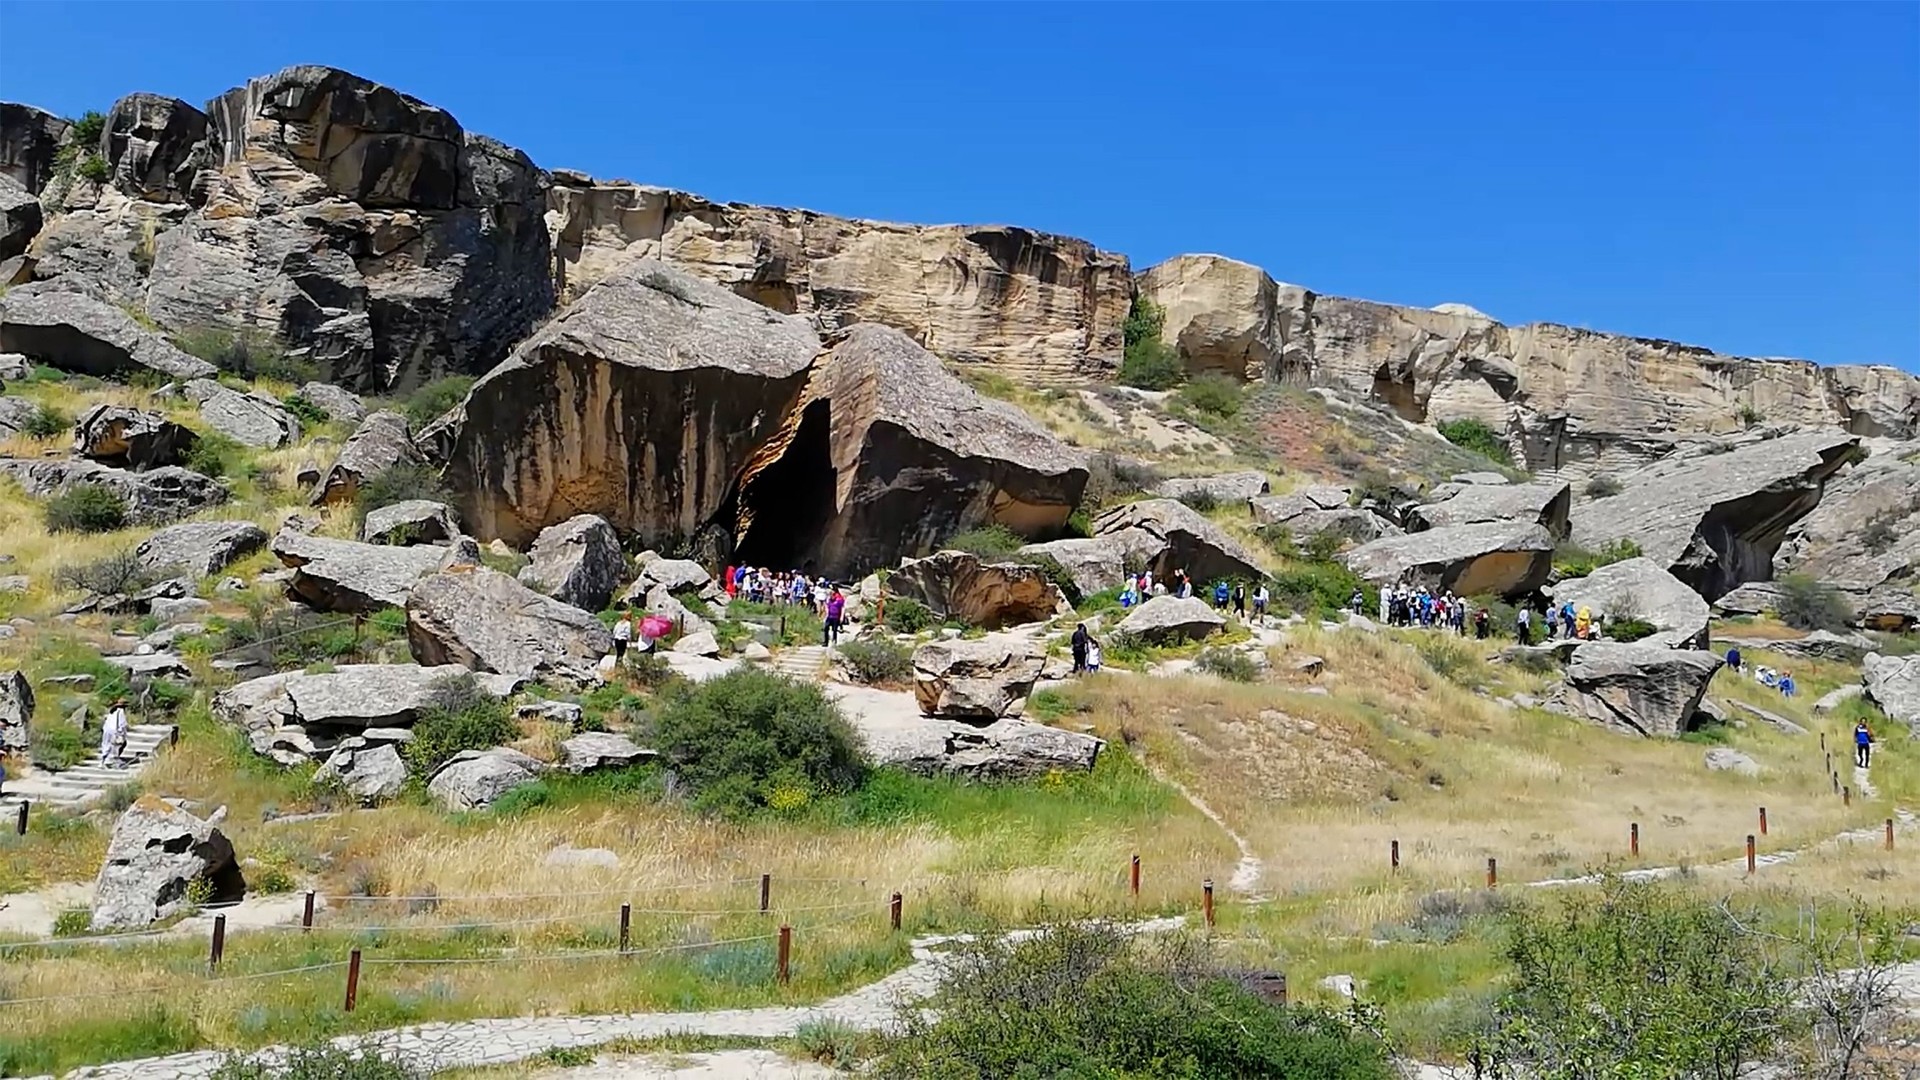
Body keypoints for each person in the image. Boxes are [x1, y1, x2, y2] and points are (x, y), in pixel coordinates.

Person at [100, 697, 129, 768]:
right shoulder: (120, 712)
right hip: (115, 731)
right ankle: (112, 761)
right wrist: (122, 733)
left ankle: (104, 760)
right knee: (116, 746)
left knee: (106, 745)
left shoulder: (112, 711)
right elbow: (122, 724)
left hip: (107, 730)